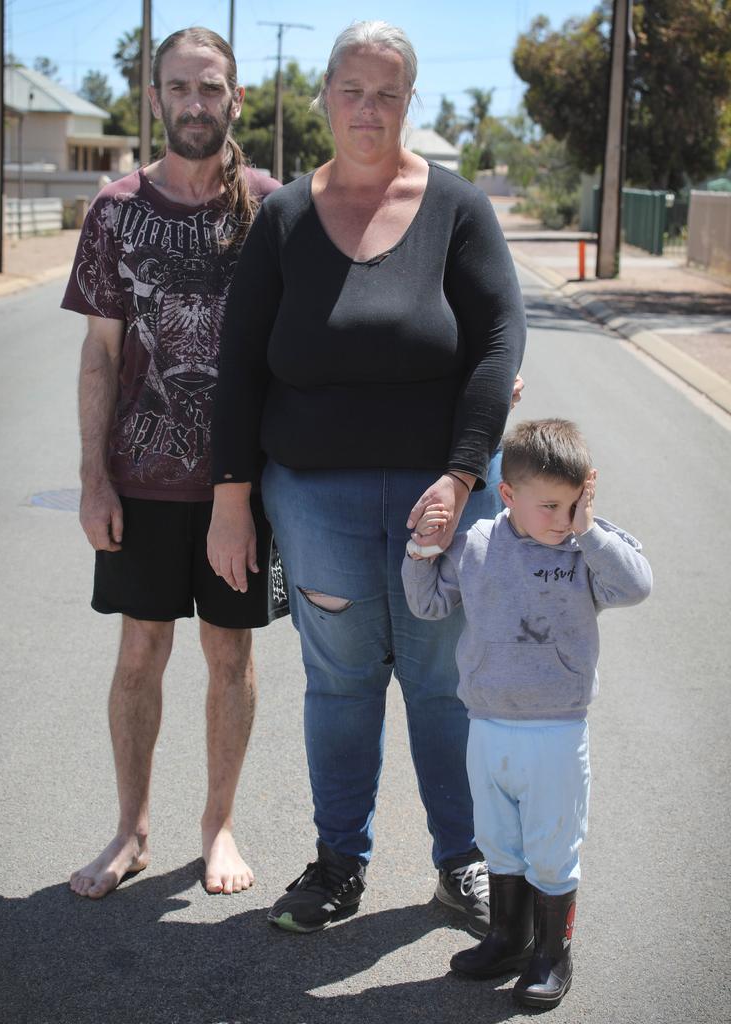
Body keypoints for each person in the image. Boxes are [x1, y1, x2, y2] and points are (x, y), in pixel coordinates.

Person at [207, 20, 526, 934]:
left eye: (387, 92)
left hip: (444, 501)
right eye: (352, 89)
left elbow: (500, 342)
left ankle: (460, 862)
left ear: (409, 103)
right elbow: (240, 364)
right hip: (316, 500)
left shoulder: (458, 207)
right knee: (341, 684)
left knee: (442, 683)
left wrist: (465, 476)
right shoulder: (285, 219)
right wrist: (232, 501)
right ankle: (338, 862)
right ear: (324, 99)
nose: (368, 108)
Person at [61, 28, 283, 899]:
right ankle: (130, 829)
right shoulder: (115, 209)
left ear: (236, 99)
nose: (196, 103)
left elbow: (329, 328)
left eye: (212, 88)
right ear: (155, 99)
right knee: (140, 652)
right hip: (142, 479)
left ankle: (218, 824)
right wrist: (92, 478)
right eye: (180, 88)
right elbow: (100, 358)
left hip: (243, 485)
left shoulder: (270, 206)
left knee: (230, 655)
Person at [402, 419, 652, 1008]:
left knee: (552, 844)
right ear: (508, 495)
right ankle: (508, 937)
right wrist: (421, 551)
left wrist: (588, 530)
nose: (561, 519)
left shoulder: (583, 546)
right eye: (549, 506)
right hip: (487, 726)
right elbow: (428, 602)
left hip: (556, 730)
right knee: (499, 842)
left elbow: (638, 585)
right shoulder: (478, 543)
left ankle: (552, 953)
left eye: (572, 504)